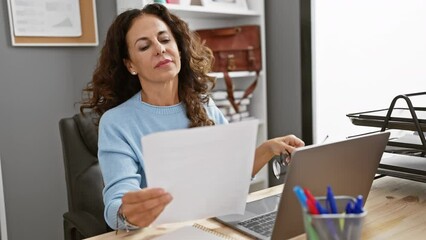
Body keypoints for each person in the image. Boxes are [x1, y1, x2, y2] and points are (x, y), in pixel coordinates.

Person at [80, 3, 304, 231]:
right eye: (144, 46)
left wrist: (268, 149)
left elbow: (231, 175)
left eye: (165, 40)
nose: (159, 49)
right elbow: (116, 208)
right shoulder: (117, 122)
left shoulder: (204, 104)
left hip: (212, 227)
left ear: (179, 48)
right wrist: (128, 214)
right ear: (130, 65)